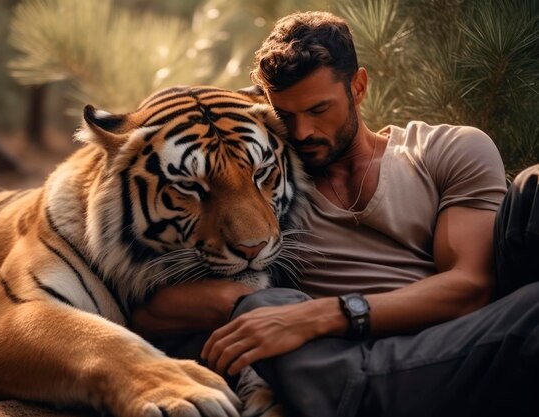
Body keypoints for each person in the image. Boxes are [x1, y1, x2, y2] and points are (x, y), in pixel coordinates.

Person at [131, 11, 539, 417]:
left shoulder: (445, 150)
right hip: (344, 364)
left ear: (358, 87)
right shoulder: (270, 187)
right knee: (261, 309)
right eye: (285, 116)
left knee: (533, 190)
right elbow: (149, 309)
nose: (303, 131)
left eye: (318, 109)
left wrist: (319, 316)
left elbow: (471, 288)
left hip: (462, 346)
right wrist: (249, 304)